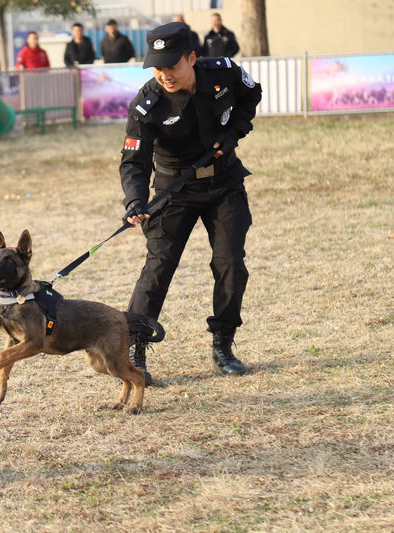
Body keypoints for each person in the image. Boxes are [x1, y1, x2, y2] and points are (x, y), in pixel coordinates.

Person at [119, 22, 262, 385]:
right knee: (158, 267)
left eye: (172, 65)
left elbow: (251, 95)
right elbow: (135, 161)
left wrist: (233, 133)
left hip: (224, 182)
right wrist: (135, 200)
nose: (164, 75)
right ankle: (134, 348)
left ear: (192, 58)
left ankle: (223, 344)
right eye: (157, 67)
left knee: (230, 263)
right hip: (174, 189)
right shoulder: (147, 104)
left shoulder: (224, 73)